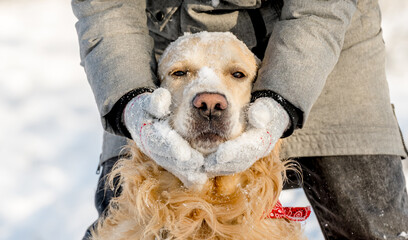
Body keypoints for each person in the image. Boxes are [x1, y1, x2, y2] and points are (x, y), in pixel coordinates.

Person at [72, 0, 408, 239]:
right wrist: (131, 103)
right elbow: (105, 7)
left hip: (323, 39)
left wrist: (280, 102)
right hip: (155, 47)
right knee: (123, 215)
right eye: (182, 73)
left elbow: (322, 9)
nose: (210, 104)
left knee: (369, 224)